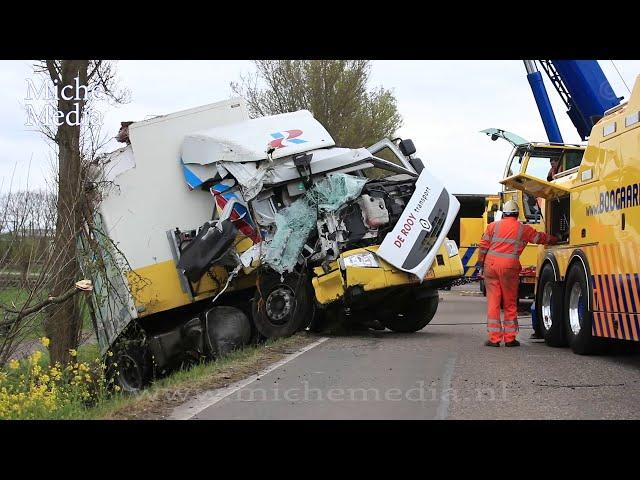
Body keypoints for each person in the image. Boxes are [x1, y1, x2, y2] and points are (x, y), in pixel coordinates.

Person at [477, 200, 558, 347]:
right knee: (510, 303)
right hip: (509, 268)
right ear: (517, 213)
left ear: (504, 213)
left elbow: (483, 246)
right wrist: (555, 239)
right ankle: (509, 339)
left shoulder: (492, 226)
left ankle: (494, 338)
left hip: (491, 266)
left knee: (494, 302)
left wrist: (480, 263)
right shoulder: (523, 229)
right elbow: (539, 238)